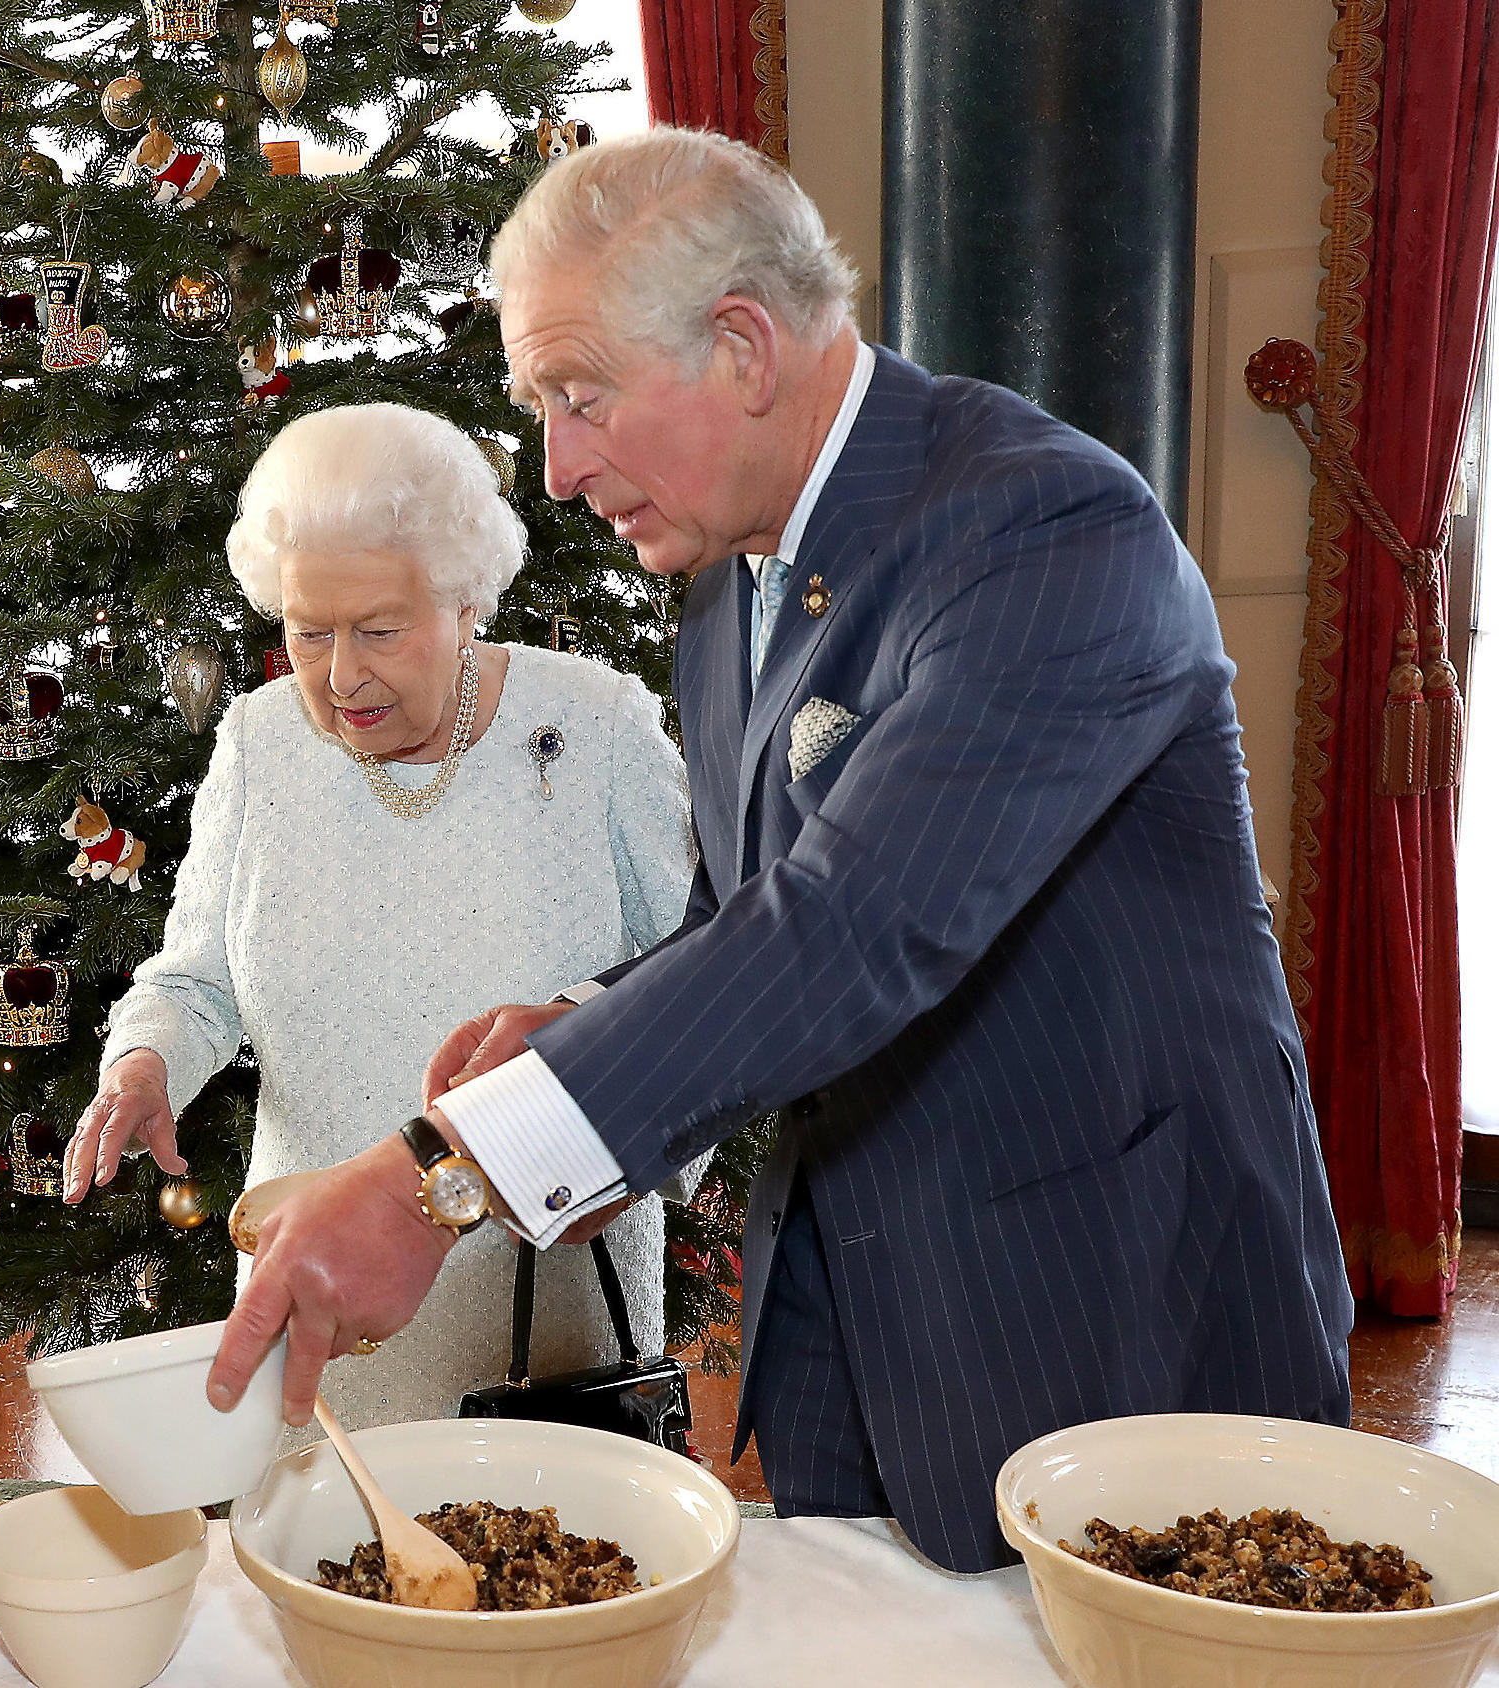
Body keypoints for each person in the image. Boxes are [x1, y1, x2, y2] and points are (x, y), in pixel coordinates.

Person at [206, 127, 1352, 1573]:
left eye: (579, 398)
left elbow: (852, 927)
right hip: (861, 1329)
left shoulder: (1045, 531)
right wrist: (593, 1021)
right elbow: (745, 917)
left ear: (743, 348)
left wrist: (446, 1175)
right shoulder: (731, 574)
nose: (555, 470)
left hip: (1108, 1309)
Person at [62, 404, 696, 1433]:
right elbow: (195, 978)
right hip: (315, 1291)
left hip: (544, 1306)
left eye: (381, 630)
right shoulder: (262, 744)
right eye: (309, 631)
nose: (342, 673)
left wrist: (639, 1157)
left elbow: (702, 981)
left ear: (465, 600)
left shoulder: (596, 726)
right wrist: (145, 1062)